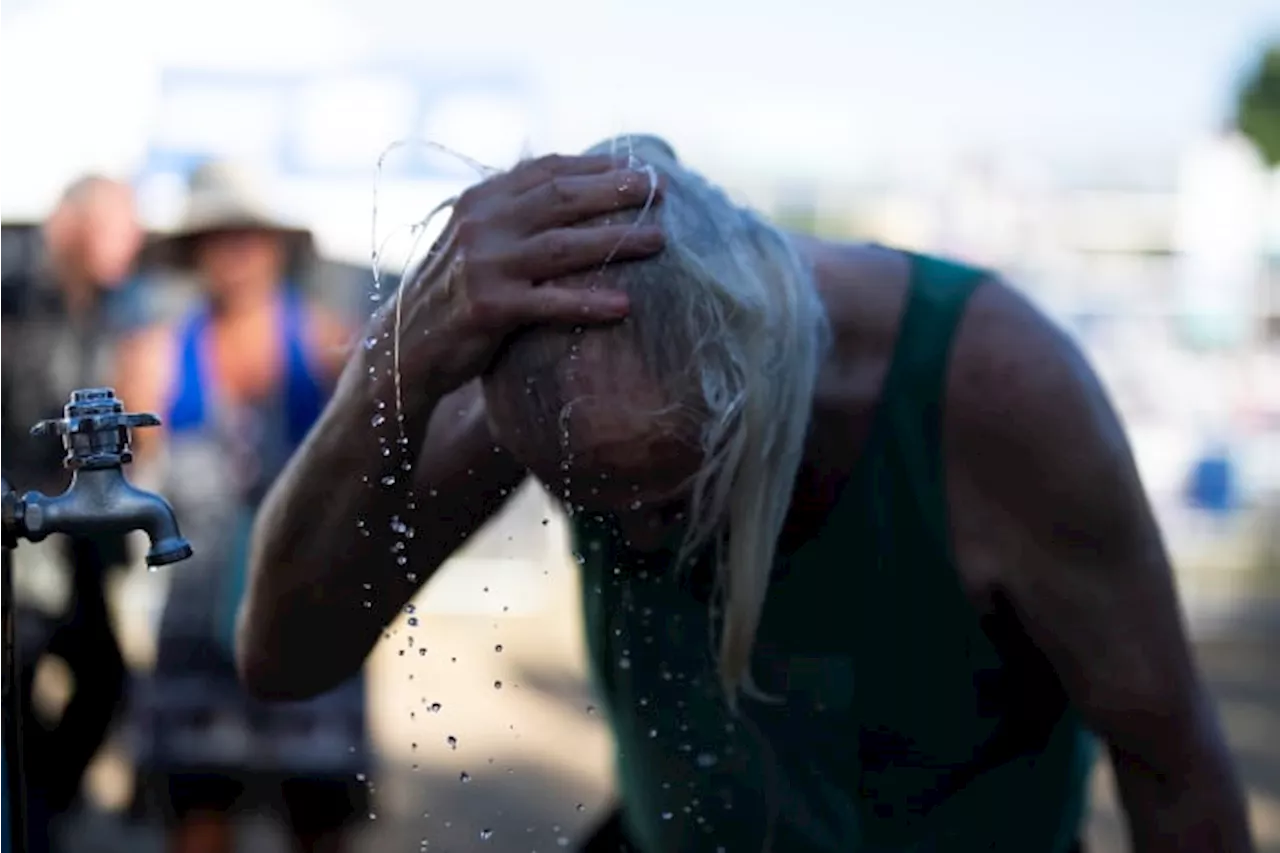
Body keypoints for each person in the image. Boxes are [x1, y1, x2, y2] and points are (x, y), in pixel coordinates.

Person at [236, 138, 1253, 852]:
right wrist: (391, 366)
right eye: (586, 502)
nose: (635, 536)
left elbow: (1172, 768)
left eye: (675, 496)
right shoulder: (549, 371)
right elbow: (283, 659)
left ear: (762, 388)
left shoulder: (993, 395)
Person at [114, 160, 366, 853]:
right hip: (196, 622)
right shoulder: (157, 356)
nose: (233, 253)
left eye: (247, 236)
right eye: (217, 237)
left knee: (319, 819)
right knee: (197, 817)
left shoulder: (328, 343)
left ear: (275, 245)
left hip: (309, 613)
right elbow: (133, 480)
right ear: (195, 250)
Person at [0, 174, 145, 853]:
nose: (135, 239)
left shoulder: (103, 305)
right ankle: (32, 818)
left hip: (71, 531)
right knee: (17, 680)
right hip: (19, 522)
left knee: (105, 676)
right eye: (119, 224)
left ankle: (44, 812)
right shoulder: (17, 290)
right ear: (73, 224)